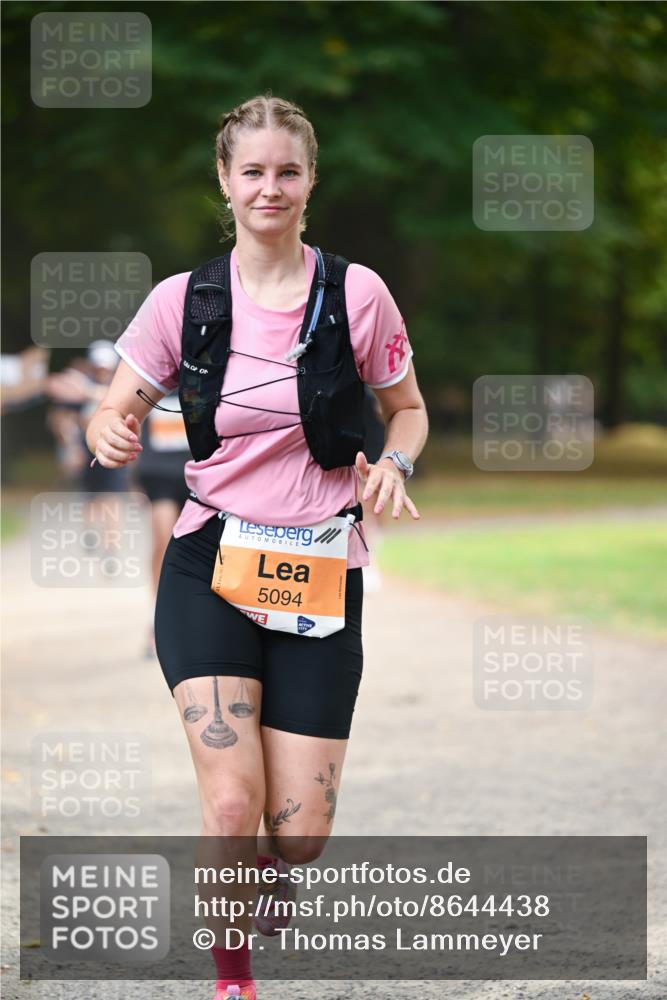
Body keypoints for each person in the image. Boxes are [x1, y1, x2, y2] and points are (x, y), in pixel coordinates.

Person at [85, 93, 428, 1000]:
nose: (268, 187)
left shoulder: (355, 294)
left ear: (310, 181)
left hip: (319, 570)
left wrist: (394, 462)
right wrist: (109, 432)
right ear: (225, 182)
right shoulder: (182, 301)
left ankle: (273, 868)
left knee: (299, 830)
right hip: (210, 563)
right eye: (252, 171)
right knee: (231, 800)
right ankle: (232, 978)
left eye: (287, 170)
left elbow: (408, 408)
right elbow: (113, 408)